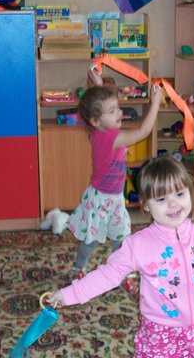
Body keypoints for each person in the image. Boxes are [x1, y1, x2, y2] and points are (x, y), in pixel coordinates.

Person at [47, 155, 194, 357]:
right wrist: (68, 295)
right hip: (160, 332)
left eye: (180, 194)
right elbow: (107, 275)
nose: (173, 204)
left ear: (190, 192)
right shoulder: (138, 245)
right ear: (145, 205)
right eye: (161, 199)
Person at [63, 68, 163, 293]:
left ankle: (122, 273)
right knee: (90, 240)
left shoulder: (98, 130)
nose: (119, 112)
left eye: (117, 107)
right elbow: (144, 131)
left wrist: (98, 85)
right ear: (96, 120)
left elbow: (99, 112)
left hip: (116, 198)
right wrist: (156, 102)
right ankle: (78, 269)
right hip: (100, 199)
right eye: (112, 110)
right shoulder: (111, 137)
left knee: (121, 239)